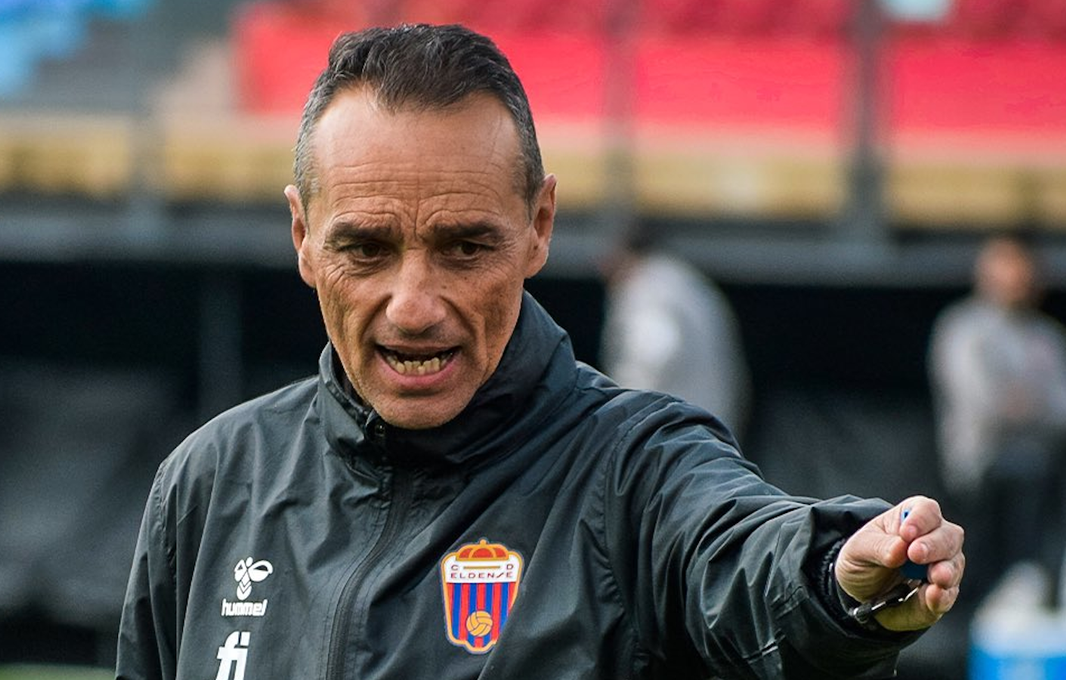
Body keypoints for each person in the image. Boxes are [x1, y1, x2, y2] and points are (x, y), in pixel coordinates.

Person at [117, 24, 964, 680]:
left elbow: (739, 556)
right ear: (303, 237)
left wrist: (835, 580)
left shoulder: (635, 473)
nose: (414, 307)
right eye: (366, 249)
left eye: (465, 248)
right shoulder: (212, 481)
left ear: (539, 227)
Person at [928, 234, 1066, 599]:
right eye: (1004, 265)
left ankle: (1038, 586)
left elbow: (1061, 408)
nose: (1015, 276)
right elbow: (981, 404)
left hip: (1042, 461)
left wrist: (1026, 405)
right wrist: (1029, 406)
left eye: (1021, 266)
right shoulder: (963, 328)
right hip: (978, 464)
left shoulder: (1045, 337)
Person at [600, 223, 752, 437]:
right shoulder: (683, 280)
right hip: (707, 425)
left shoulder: (648, 288)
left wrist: (624, 414)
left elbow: (655, 352)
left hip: (676, 434)